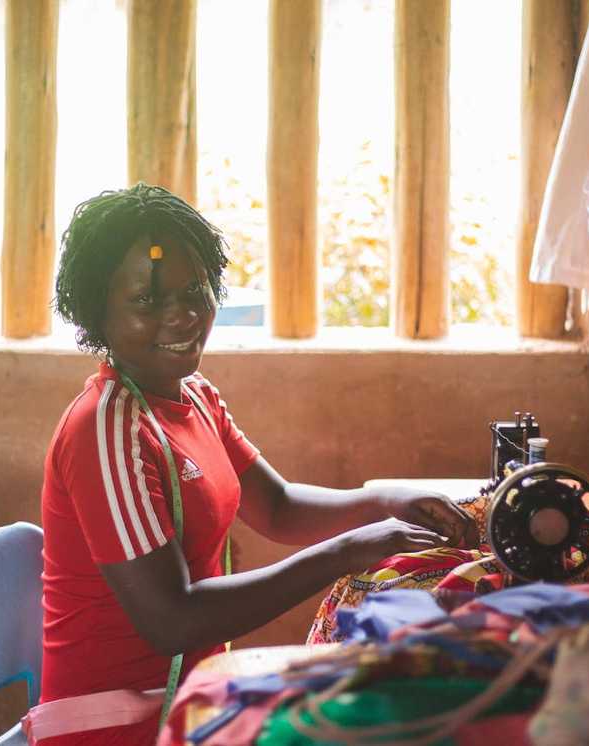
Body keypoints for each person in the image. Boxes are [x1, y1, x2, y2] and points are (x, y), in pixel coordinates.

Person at [40, 183, 477, 745]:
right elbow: (172, 620)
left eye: (194, 289)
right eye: (147, 301)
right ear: (96, 310)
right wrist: (354, 548)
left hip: (192, 700)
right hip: (118, 726)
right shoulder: (106, 431)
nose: (184, 315)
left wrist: (388, 502)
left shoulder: (192, 396)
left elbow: (278, 508)